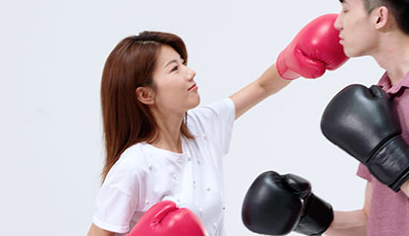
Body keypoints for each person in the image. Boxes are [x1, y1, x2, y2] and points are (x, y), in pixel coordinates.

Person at [241, 0, 409, 235]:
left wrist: (387, 155)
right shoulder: (382, 94)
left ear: (380, 17)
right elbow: (373, 219)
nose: (337, 23)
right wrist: (305, 214)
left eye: (345, 9)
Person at [87, 15, 348, 236]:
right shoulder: (135, 166)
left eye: (184, 63)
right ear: (145, 95)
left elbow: (262, 86)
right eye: (174, 68)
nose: (190, 73)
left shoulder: (202, 127)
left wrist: (292, 60)